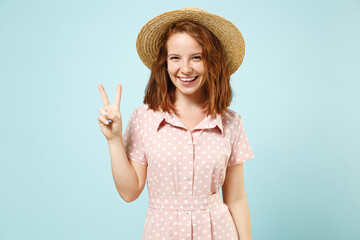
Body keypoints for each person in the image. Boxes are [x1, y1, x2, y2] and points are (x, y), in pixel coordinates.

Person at [97, 7, 255, 240]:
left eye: (196, 57)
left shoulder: (231, 123)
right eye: (175, 58)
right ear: (164, 63)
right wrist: (113, 140)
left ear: (212, 62)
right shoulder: (144, 118)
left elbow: (236, 198)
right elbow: (130, 192)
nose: (185, 69)